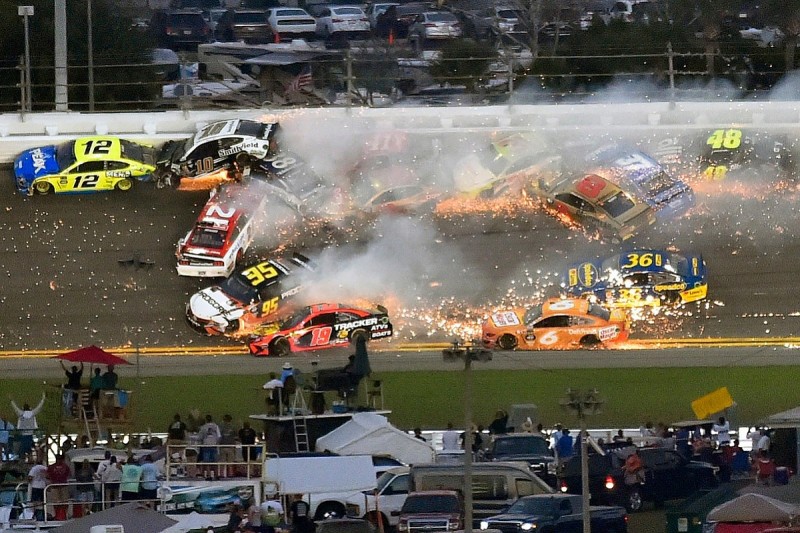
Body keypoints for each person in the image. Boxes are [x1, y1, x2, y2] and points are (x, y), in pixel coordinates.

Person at [11, 392, 46, 462]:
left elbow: (15, 408)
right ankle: (30, 461)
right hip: (30, 435)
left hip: (23, 435)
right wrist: (43, 398)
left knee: (23, 451)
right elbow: (39, 407)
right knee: (29, 450)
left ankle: (23, 461)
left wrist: (11, 400)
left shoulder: (21, 414)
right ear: (30, 408)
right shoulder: (32, 413)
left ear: (23, 408)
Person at [46, 454, 71, 521]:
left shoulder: (64, 467)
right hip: (55, 486)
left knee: (64, 501)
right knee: (57, 502)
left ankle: (64, 514)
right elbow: (48, 476)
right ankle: (58, 515)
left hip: (62, 486)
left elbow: (48, 476)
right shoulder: (53, 467)